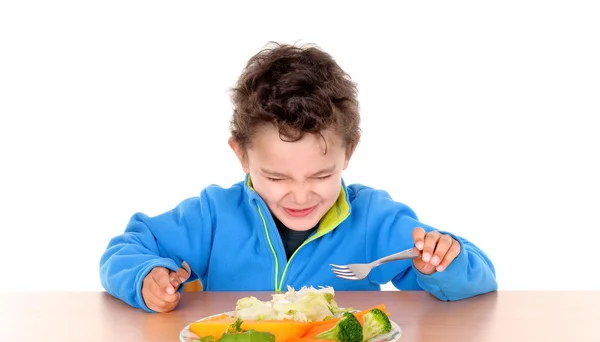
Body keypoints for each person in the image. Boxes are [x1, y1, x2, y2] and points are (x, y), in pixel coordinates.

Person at [99, 42, 498, 313]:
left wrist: (444, 262)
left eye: (322, 174)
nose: (301, 195)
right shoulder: (214, 215)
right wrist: (145, 277)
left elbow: (480, 279)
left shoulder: (374, 219)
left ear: (350, 153)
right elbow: (127, 247)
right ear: (241, 155)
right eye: (276, 177)